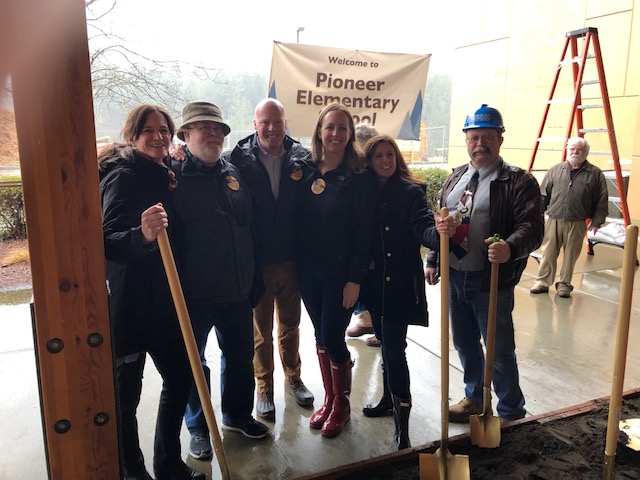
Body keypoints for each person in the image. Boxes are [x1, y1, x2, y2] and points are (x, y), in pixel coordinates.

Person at [99, 104, 204, 480]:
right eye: (149, 131)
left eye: (164, 130)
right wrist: (141, 234)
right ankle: (134, 473)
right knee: (126, 398)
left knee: (180, 377)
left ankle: (168, 465)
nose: (158, 137)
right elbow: (106, 240)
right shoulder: (123, 176)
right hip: (129, 304)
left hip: (165, 300)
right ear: (133, 136)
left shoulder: (162, 171)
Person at [433, 104, 544, 423]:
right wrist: (434, 258)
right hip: (455, 277)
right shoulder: (455, 177)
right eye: (474, 137)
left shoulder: (519, 181)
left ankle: (511, 411)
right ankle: (474, 398)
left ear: (500, 139)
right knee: (464, 343)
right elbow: (442, 222)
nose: (479, 143)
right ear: (466, 140)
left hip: (490, 280)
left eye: (487, 137)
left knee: (498, 349)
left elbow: (533, 227)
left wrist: (510, 247)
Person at [171, 101, 269, 460]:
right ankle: (199, 428)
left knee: (241, 357)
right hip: (194, 295)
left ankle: (236, 416)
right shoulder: (172, 175)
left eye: (218, 129)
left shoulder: (232, 171)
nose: (213, 134)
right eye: (204, 128)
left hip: (238, 290)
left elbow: (249, 226)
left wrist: (254, 277)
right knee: (193, 364)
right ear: (186, 134)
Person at [221, 98, 314, 421]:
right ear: (255, 124)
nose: (272, 128)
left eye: (278, 122)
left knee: (291, 326)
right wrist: (178, 154)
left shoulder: (302, 158)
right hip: (257, 262)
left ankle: (294, 377)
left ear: (285, 123)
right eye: (265, 122)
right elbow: (204, 166)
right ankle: (264, 387)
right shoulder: (236, 159)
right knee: (260, 332)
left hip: (291, 260)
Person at [296, 103, 377, 437]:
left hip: (341, 275)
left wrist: (355, 279)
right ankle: (329, 400)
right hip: (308, 270)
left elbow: (365, 232)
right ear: (319, 131)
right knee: (319, 334)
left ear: (350, 134)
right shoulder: (304, 169)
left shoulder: (359, 176)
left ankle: (341, 406)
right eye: (329, 127)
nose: (335, 133)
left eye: (342, 128)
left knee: (332, 335)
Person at [360, 135, 439, 449]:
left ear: (397, 158)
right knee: (385, 344)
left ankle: (401, 426)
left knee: (394, 349)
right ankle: (386, 399)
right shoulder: (363, 191)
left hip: (400, 284)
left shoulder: (411, 192)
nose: (385, 161)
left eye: (390, 155)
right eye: (378, 156)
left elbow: (424, 226)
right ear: (369, 161)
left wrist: (439, 234)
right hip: (373, 284)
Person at [530, 137, 608, 298]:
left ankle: (564, 285)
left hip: (577, 222)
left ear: (586, 152)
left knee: (570, 256)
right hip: (554, 219)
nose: (575, 152)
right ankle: (542, 282)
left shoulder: (595, 174)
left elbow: (601, 199)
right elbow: (543, 195)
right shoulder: (555, 170)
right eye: (572, 149)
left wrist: (596, 222)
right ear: (567, 150)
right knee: (548, 253)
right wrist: (535, 216)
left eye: (579, 150)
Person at [346, 122, 380, 347]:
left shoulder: (379, 175)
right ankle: (366, 318)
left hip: (378, 245)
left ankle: (378, 325)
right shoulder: (353, 173)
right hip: (358, 245)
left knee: (376, 285)